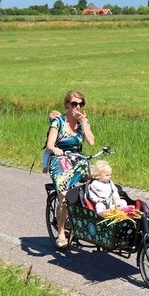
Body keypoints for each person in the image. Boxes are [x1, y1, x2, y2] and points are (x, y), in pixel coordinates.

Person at [46, 90, 95, 248]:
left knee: (97, 184)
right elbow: (50, 144)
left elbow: (91, 142)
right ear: (67, 105)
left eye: (81, 104)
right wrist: (55, 150)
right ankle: (61, 232)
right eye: (74, 103)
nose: (77, 106)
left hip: (77, 160)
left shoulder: (82, 122)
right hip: (59, 160)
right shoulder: (58, 122)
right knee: (65, 197)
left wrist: (84, 122)